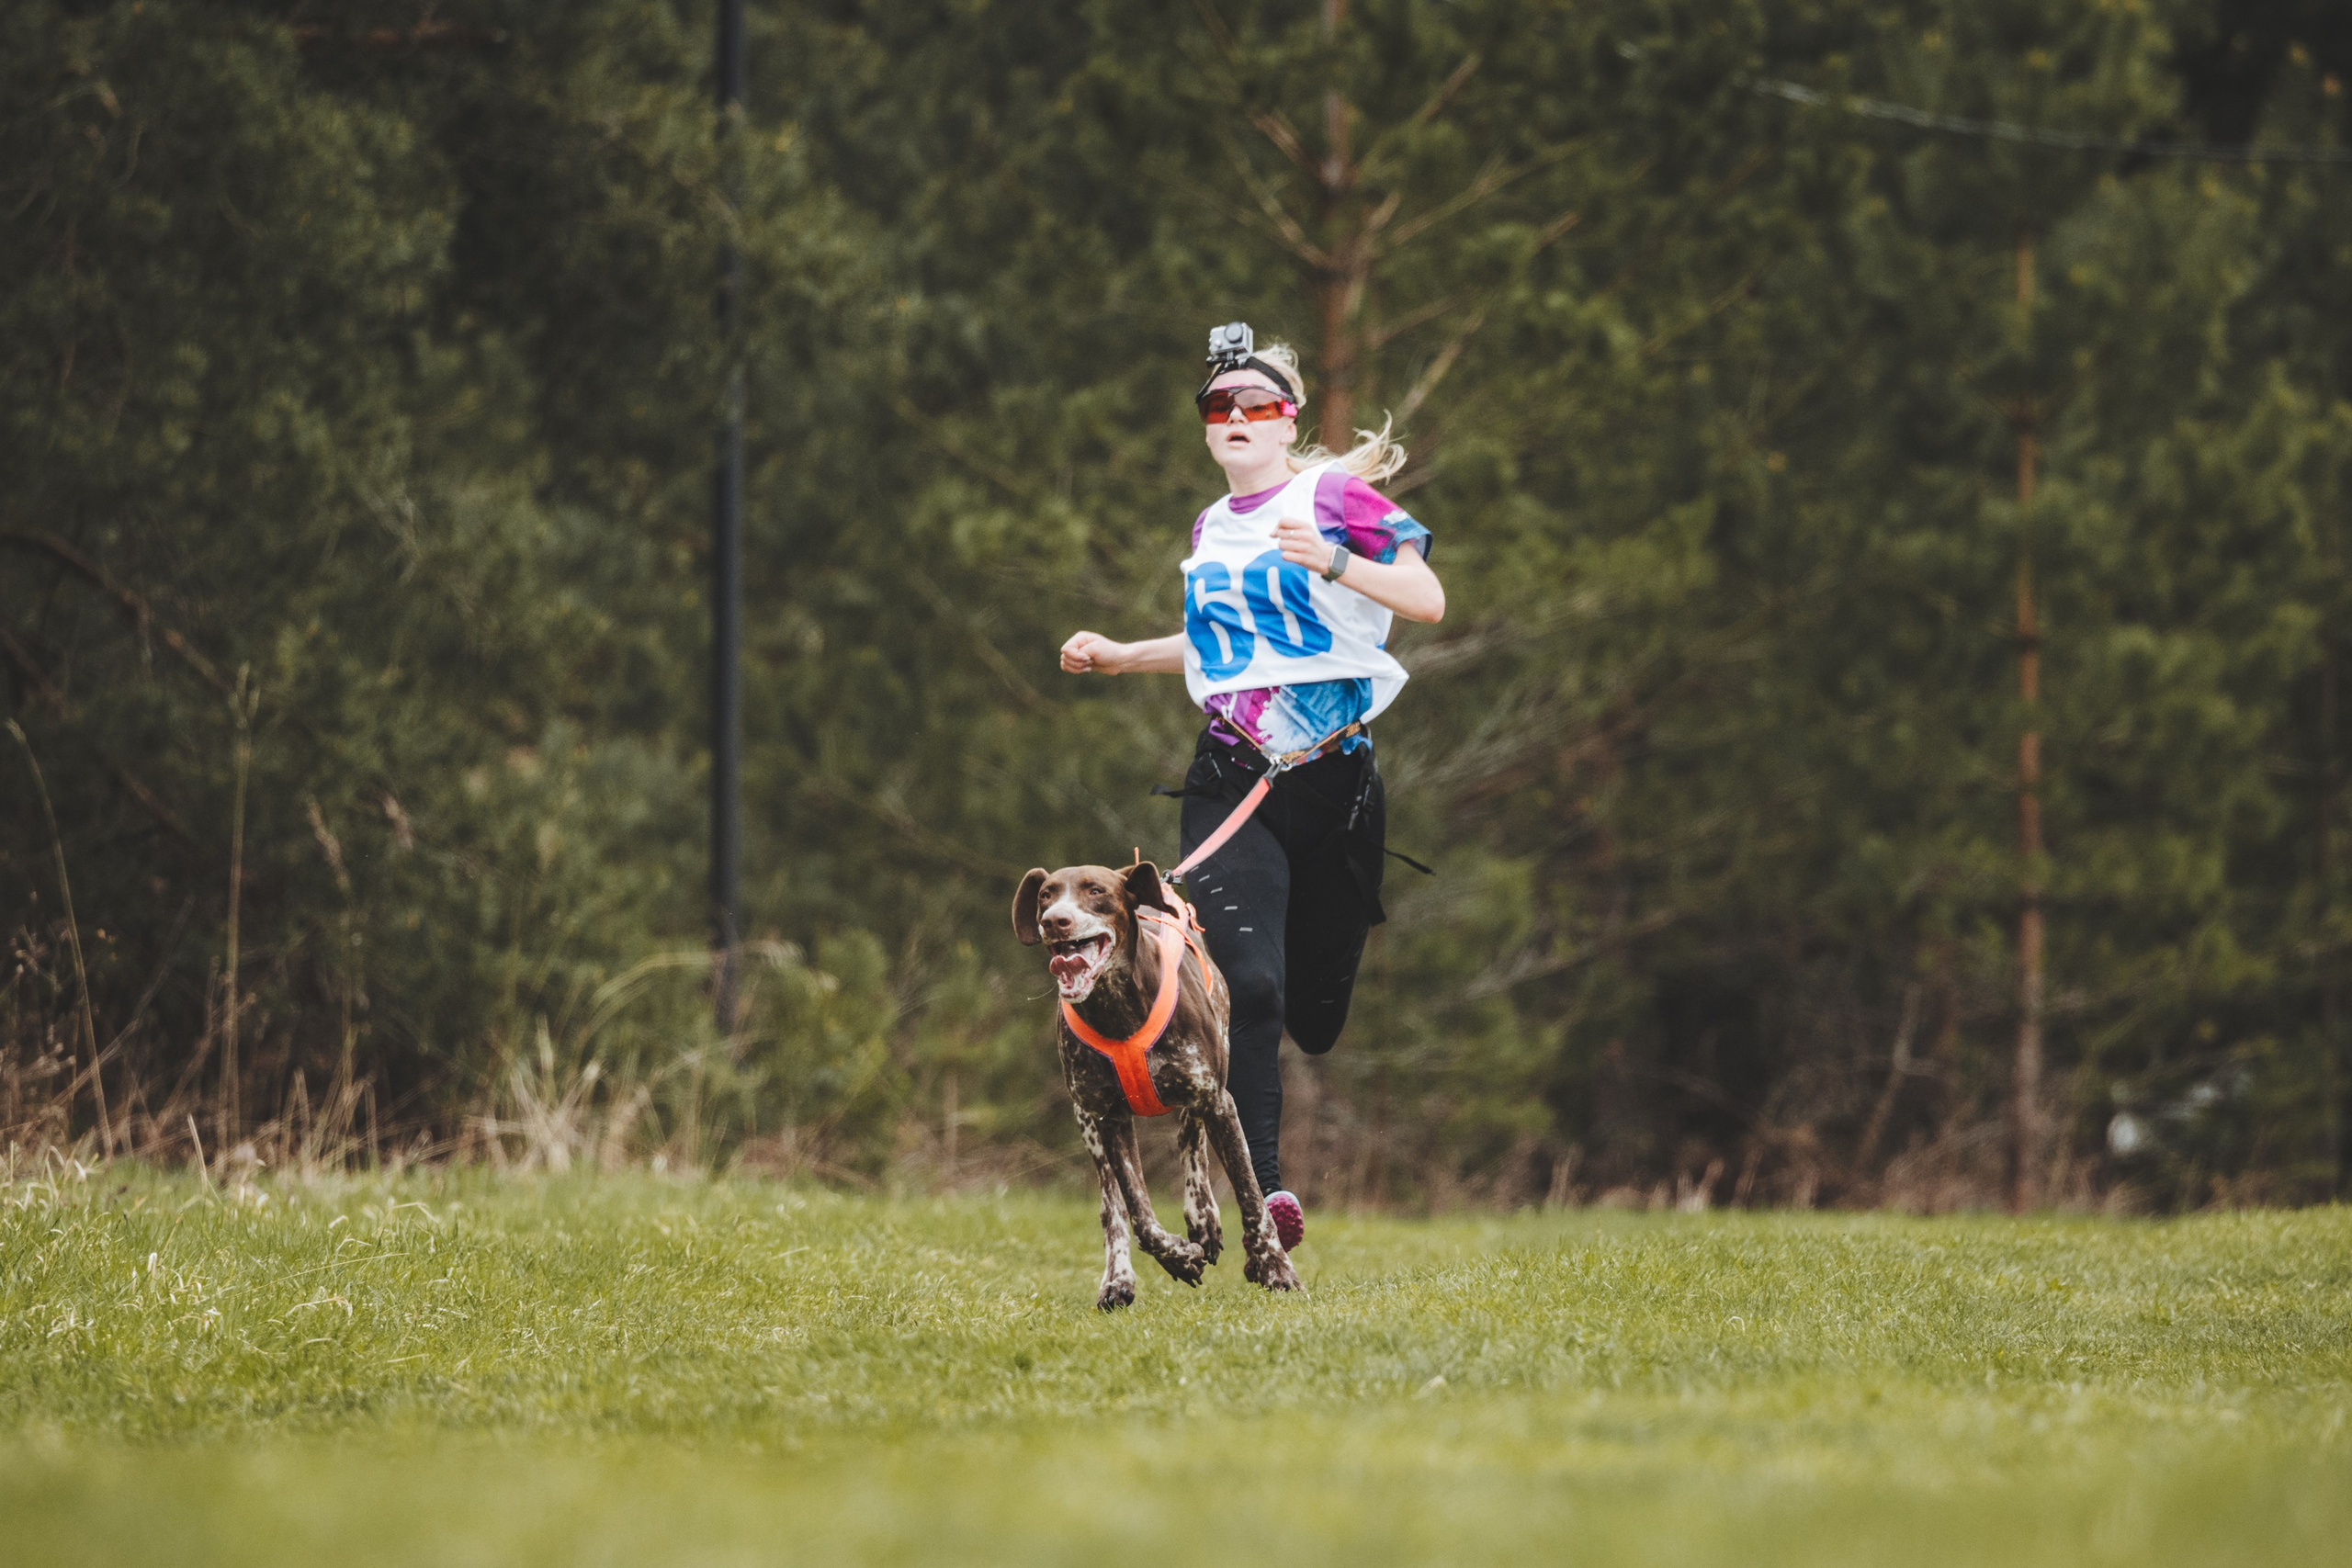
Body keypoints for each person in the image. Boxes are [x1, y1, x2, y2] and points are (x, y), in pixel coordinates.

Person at [1058, 322, 1444, 1252]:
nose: (1235, 417)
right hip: (1230, 777)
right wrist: (1120, 656)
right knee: (1253, 985)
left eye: (1255, 404)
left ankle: (1276, 1113)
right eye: (1218, 406)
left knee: (1312, 1014)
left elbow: (1427, 599)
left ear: (1287, 420)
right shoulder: (1210, 526)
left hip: (1337, 786)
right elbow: (1225, 650)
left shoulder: (1333, 497)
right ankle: (1266, 1196)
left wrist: (1337, 561)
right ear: (1204, 426)